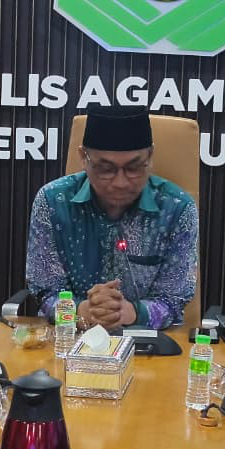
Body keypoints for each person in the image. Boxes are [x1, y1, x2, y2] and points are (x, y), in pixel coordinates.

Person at [23, 107, 199, 332]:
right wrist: (82, 311)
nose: (120, 183)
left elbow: (173, 300)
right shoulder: (52, 201)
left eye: (133, 168)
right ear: (83, 158)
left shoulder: (177, 209)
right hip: (69, 337)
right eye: (105, 169)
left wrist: (130, 312)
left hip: (147, 341)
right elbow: (46, 291)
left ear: (150, 156)